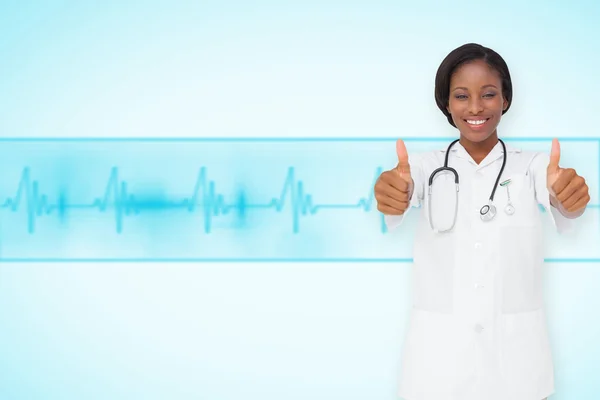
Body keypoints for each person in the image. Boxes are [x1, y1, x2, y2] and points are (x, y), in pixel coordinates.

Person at [374, 43, 590, 400]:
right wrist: (390, 192)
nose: (475, 107)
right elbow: (396, 194)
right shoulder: (424, 167)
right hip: (439, 362)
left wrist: (568, 195)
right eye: (461, 95)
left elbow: (562, 198)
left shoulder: (532, 166)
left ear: (505, 99)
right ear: (446, 103)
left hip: (515, 360)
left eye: (488, 94)